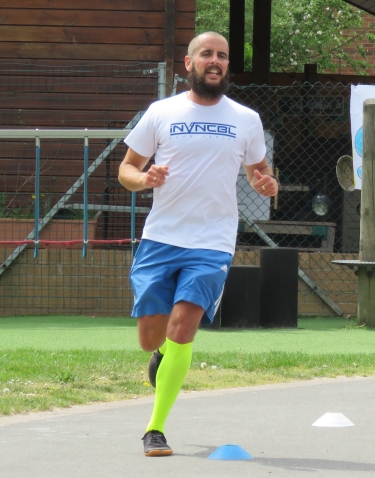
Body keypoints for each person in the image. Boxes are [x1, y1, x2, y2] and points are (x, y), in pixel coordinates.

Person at [118, 31, 278, 457]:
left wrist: (266, 182)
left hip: (213, 242)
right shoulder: (161, 112)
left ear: (227, 66)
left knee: (185, 325)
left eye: (222, 56)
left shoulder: (246, 119)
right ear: (188, 64)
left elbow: (260, 170)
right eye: (206, 54)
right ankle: (162, 354)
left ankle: (155, 428)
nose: (215, 61)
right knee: (152, 337)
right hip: (161, 238)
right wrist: (144, 179)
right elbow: (127, 169)